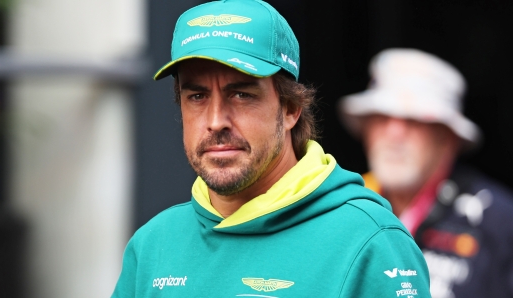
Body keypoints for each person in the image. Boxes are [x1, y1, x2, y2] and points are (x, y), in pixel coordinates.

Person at [112, 2, 431, 297]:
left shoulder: (370, 241)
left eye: (241, 95)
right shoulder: (153, 245)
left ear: (291, 108)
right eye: (197, 97)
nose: (215, 121)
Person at [339, 48, 513, 298]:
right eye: (381, 117)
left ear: (448, 140)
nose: (394, 134)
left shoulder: (501, 223)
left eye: (413, 120)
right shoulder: (344, 207)